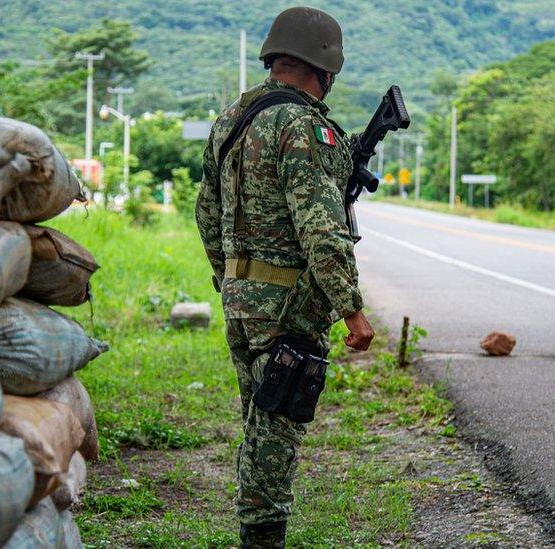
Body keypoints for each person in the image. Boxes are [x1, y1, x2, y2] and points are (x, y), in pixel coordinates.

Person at [195, 6, 374, 548]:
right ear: (322, 67)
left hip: (241, 297)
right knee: (276, 430)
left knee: (259, 419)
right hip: (288, 306)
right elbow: (321, 228)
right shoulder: (303, 125)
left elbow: (206, 210)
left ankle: (256, 530)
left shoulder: (232, 118)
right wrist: (351, 308)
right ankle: (261, 539)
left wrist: (226, 277)